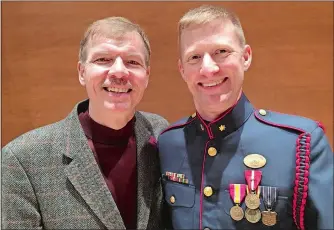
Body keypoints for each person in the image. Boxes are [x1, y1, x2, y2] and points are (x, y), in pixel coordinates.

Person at [158, 5, 333, 230]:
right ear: (182, 70)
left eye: (221, 52)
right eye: (195, 56)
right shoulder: (168, 144)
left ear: (246, 57)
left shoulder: (299, 143)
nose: (208, 68)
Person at [2, 16, 169, 229]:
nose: (119, 71)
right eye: (103, 60)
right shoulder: (21, 160)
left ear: (146, 76)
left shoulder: (162, 133)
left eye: (132, 62)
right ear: (82, 72)